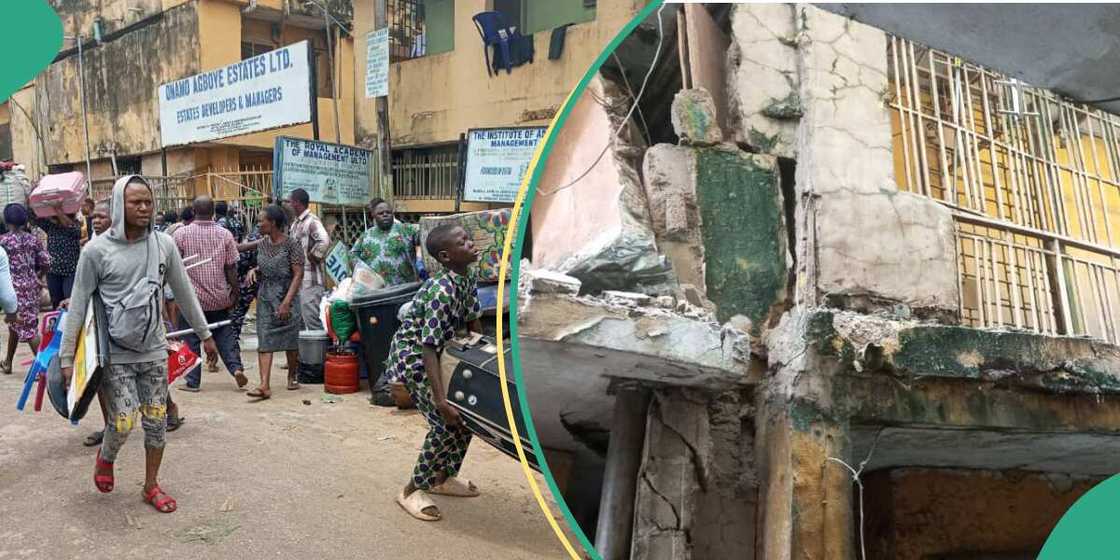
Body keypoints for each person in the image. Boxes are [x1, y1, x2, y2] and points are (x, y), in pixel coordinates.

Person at [59, 175, 217, 514]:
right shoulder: (95, 252)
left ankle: (151, 485)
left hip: (154, 350)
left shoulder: (164, 245)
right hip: (114, 354)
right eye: (136, 202)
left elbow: (185, 293)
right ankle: (106, 457)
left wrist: (205, 335)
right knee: (122, 421)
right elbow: (77, 304)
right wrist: (66, 357)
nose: (144, 207)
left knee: (157, 422)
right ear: (120, 205)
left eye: (148, 201)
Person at [391, 224, 483, 522]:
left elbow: (473, 322)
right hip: (415, 358)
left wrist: (481, 362)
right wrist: (441, 400)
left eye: (469, 238)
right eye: (463, 241)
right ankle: (410, 489)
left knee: (465, 418)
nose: (471, 243)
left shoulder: (467, 277)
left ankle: (442, 478)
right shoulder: (441, 291)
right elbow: (427, 347)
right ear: (445, 256)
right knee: (444, 423)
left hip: (443, 352)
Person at [75, 201, 184, 447]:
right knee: (103, 381)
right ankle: (111, 426)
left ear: (116, 217)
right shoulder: (94, 249)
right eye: (94, 217)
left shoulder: (151, 245)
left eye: (102, 216)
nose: (97, 221)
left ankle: (168, 409)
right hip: (109, 333)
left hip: (145, 327)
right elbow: (84, 291)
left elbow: (165, 288)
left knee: (150, 382)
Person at [350, 198, 425, 405]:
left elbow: (425, 234)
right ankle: (386, 381)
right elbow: (353, 256)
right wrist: (363, 273)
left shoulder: (406, 231)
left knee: (404, 334)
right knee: (383, 338)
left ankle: (408, 380)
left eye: (388, 212)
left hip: (404, 292)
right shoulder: (366, 236)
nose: (385, 215)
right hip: (379, 296)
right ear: (373, 216)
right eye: (381, 213)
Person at [172, 196, 247, 392]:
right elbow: (231, 267)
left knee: (190, 337)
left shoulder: (181, 234)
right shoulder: (225, 234)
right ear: (213, 212)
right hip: (218, 296)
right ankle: (236, 368)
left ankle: (193, 381)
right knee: (224, 333)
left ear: (193, 211)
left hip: (192, 299)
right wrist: (235, 292)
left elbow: (175, 266)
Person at [245, 205, 303, 400]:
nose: (259, 224)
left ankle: (292, 374)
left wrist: (286, 302)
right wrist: (255, 270)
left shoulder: (292, 245)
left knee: (291, 341)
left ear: (274, 223)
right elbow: (264, 265)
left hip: (288, 295)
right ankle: (264, 385)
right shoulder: (262, 244)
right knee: (265, 339)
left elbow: (298, 274)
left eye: (262, 220)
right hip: (266, 297)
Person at [0, 204, 48, 374]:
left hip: (12, 290)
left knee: (28, 330)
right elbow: (46, 262)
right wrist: (38, 276)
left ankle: (44, 370)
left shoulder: (3, 241)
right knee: (16, 325)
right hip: (31, 288)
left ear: (6, 221)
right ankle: (8, 362)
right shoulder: (33, 239)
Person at [286, 189, 330, 331]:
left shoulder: (311, 221)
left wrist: (313, 257)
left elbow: (324, 241)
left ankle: (320, 353)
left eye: (289, 201)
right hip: (300, 283)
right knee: (303, 324)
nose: (288, 204)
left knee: (313, 324)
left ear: (297, 203)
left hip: (311, 282)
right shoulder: (296, 224)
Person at [33, 203, 82, 309]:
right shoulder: (51, 225)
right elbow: (33, 216)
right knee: (56, 304)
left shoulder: (76, 225)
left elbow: (71, 228)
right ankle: (58, 325)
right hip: (53, 273)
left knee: (70, 303)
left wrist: (58, 211)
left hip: (70, 272)